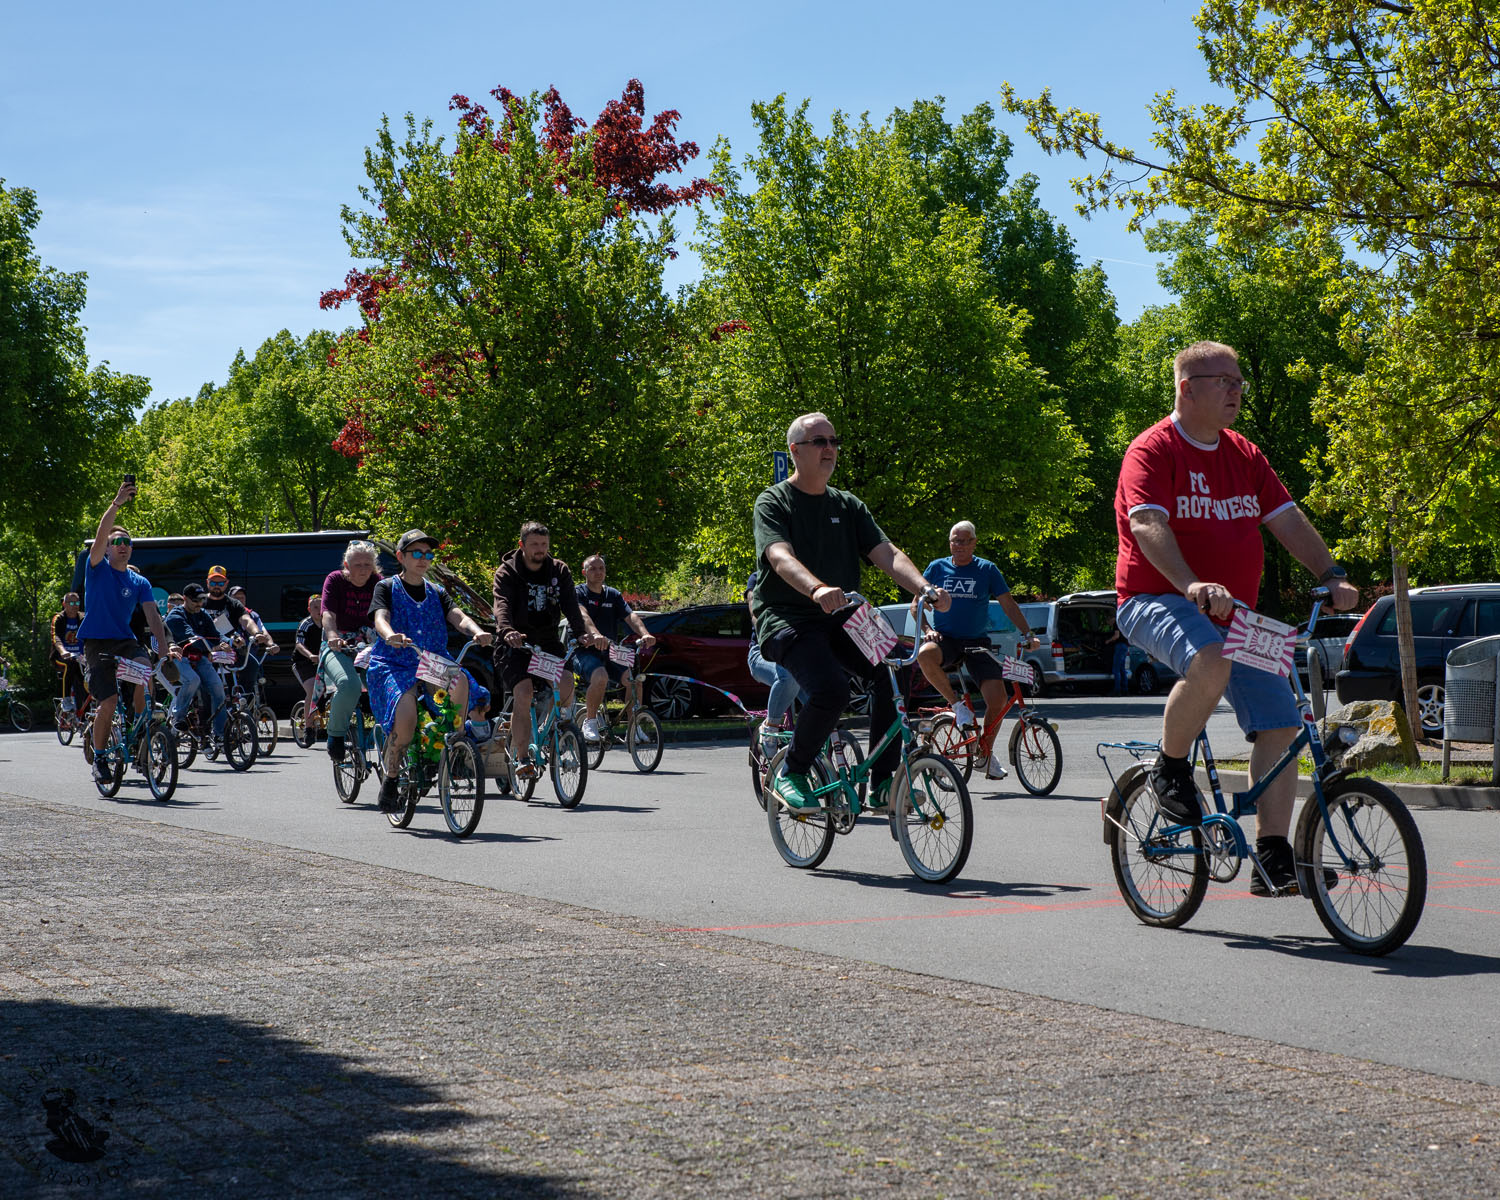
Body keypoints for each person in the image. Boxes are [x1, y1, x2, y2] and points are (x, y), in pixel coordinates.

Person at [1114, 340, 1360, 896]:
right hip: (1157, 600)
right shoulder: (1152, 450)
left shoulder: (1244, 454)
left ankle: (1272, 857)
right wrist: (1192, 584)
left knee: (1283, 723)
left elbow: (1287, 520)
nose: (1236, 390)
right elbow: (1148, 524)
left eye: (1239, 381)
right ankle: (1171, 766)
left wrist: (1331, 574)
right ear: (1187, 389)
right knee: (1210, 659)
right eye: (1223, 381)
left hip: (1237, 613)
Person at [753, 412, 951, 811]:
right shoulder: (774, 501)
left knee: (895, 669)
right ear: (795, 451)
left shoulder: (848, 505)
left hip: (843, 614)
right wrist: (816, 588)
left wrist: (925, 588)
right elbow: (779, 555)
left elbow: (887, 553)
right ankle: (792, 771)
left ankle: (883, 783)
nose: (830, 449)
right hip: (789, 617)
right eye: (819, 442)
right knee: (832, 690)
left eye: (834, 441)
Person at [367, 530, 492, 810]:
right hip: (396, 662)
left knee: (460, 682)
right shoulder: (386, 587)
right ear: (401, 557)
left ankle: (452, 747)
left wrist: (476, 631)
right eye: (416, 553)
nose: (423, 559)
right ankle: (391, 779)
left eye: (428, 554)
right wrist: (389, 635)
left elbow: (458, 616)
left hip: (432, 661)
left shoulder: (437, 591)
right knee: (406, 718)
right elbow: (380, 617)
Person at [913, 521, 1040, 779]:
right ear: (950, 543)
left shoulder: (987, 569)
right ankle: (957, 705)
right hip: (946, 639)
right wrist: (927, 629)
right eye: (955, 541)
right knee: (925, 654)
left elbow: (1008, 604)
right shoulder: (937, 567)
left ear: (974, 543)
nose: (959, 545)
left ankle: (985, 754)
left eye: (964, 541)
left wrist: (1028, 634)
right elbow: (916, 605)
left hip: (977, 642)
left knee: (998, 700)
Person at [77, 482, 176, 781]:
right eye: (117, 541)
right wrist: (117, 503)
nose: (123, 545)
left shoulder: (139, 582)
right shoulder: (97, 569)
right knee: (107, 702)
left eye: (127, 542)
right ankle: (100, 759)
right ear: (107, 549)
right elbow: (100, 534)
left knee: (146, 674)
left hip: (124, 642)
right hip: (97, 644)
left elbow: (153, 616)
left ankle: (142, 733)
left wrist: (163, 649)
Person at [493, 522, 606, 778]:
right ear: (522, 545)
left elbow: (571, 606)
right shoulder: (507, 571)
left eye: (544, 544)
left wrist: (581, 633)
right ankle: (523, 758)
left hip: (546, 643)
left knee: (566, 684)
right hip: (515, 642)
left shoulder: (559, 570)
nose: (540, 549)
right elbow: (502, 604)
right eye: (534, 544)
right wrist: (507, 629)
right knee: (523, 693)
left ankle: (548, 728)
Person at [574, 554, 657, 743]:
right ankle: (590, 721)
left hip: (609, 650)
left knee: (634, 681)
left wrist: (645, 634)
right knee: (600, 676)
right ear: (584, 572)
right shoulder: (578, 593)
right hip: (584, 650)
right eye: (593, 569)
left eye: (601, 568)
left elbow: (631, 617)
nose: (598, 572)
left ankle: (634, 728)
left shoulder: (613, 594)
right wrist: (596, 635)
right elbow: (583, 616)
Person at [319, 541, 380, 763]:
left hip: (370, 644)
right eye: (357, 565)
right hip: (339, 643)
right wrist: (332, 635)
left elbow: (387, 614)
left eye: (367, 564)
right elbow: (328, 614)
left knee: (389, 685)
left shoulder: (378, 583)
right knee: (349, 684)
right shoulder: (335, 580)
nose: (363, 569)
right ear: (346, 565)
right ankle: (335, 736)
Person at [163, 583, 232, 746]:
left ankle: (219, 734)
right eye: (195, 601)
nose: (199, 604)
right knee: (192, 680)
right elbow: (191, 637)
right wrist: (213, 646)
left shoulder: (202, 614)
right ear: (185, 599)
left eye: (201, 600)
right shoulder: (175, 616)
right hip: (179, 657)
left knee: (218, 688)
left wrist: (230, 641)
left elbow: (215, 634)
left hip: (199, 657)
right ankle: (178, 718)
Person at [745, 568, 805, 756]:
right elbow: (754, 611)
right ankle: (770, 728)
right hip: (763, 653)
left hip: (796, 654)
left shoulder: (802, 576)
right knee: (789, 677)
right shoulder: (757, 579)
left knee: (827, 693)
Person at [202, 567, 273, 705]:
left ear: (226, 584)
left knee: (252, 664)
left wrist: (257, 633)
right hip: (207, 648)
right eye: (213, 582)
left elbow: (246, 620)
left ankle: (242, 702)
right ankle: (204, 706)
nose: (217, 586)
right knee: (204, 679)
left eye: (220, 583)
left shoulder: (233, 603)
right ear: (207, 582)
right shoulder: (200, 602)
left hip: (230, 647)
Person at [50, 592, 88, 715]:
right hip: (61, 657)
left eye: (77, 602)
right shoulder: (59, 618)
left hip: (80, 657)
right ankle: (65, 699)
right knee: (70, 664)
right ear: (64, 604)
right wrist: (63, 651)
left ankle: (87, 714)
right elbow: (56, 637)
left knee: (88, 680)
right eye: (71, 603)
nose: (75, 605)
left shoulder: (83, 618)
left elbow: (90, 637)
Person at [295, 594, 323, 725]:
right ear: (309, 609)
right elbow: (299, 644)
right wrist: (310, 655)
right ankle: (308, 727)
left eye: (321, 607)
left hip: (323, 661)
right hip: (303, 663)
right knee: (312, 691)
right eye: (315, 607)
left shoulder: (328, 623)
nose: (319, 610)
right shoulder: (306, 624)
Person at [1105, 619, 1130, 696]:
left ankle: (1117, 690)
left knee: (1116, 669)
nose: (1109, 623)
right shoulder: (1123, 622)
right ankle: (1125, 690)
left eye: (1108, 621)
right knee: (1122, 669)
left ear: (1111, 618)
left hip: (1119, 646)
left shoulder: (1116, 623)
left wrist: (1108, 641)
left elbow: (1117, 636)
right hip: (1125, 646)